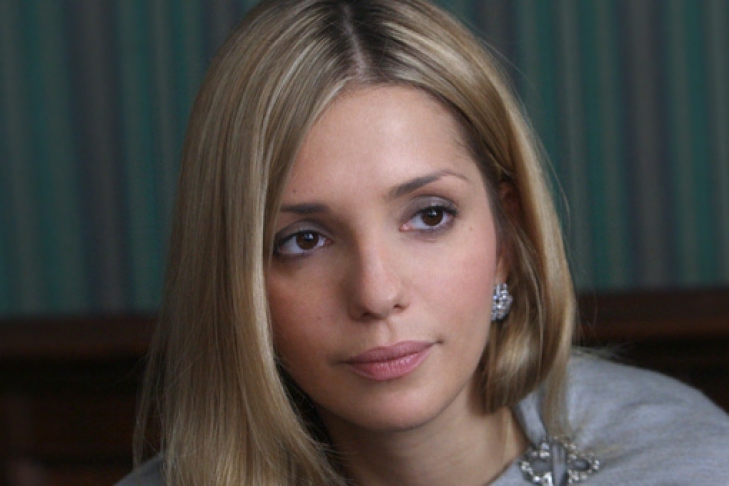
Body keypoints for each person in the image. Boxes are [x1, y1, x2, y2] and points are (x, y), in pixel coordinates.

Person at [118, 0, 729, 484]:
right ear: (236, 278)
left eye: (430, 216)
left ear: (507, 237)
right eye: (303, 240)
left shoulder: (685, 463)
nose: (377, 294)